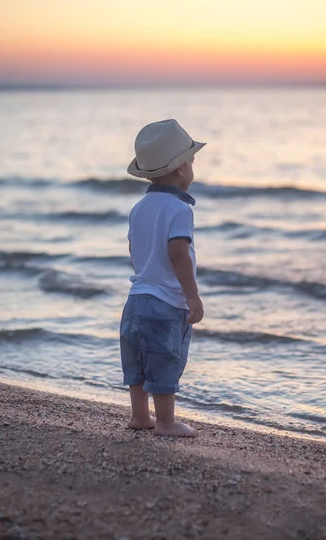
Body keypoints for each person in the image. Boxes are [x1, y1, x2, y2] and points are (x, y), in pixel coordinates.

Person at [119, 119, 205, 437]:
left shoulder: (139, 207)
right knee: (164, 358)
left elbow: (134, 248)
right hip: (165, 302)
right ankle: (166, 423)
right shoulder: (180, 210)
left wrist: (145, 274)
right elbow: (178, 253)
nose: (193, 168)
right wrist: (192, 296)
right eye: (192, 161)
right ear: (182, 169)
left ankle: (141, 416)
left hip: (136, 298)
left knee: (137, 360)